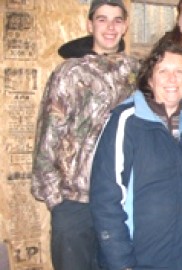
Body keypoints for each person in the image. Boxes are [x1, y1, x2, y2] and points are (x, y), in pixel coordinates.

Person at [31, 1, 138, 270]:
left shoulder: (136, 73)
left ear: (125, 25)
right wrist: (59, 203)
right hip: (75, 203)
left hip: (118, 204)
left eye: (117, 20)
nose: (110, 27)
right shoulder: (69, 73)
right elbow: (47, 141)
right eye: (102, 20)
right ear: (90, 25)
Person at [89, 39, 182, 269]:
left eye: (179, 72)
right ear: (150, 80)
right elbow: (106, 198)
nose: (172, 79)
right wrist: (121, 262)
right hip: (134, 260)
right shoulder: (127, 121)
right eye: (163, 71)